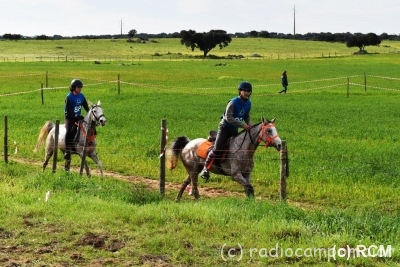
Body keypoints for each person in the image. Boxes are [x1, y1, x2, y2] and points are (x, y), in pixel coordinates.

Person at [200, 81, 253, 180]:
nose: (246, 92)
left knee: (236, 149)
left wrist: (250, 123)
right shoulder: (233, 102)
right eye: (244, 90)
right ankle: (205, 169)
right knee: (216, 148)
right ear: (240, 91)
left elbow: (247, 115)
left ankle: (234, 169)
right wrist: (243, 125)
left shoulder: (248, 103)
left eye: (248, 91)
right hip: (224, 128)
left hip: (234, 129)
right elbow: (229, 118)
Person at [64, 79, 89, 160]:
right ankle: (67, 151)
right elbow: (68, 109)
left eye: (81, 87)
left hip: (78, 118)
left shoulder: (81, 96)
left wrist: (90, 114)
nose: (80, 88)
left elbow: (86, 107)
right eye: (78, 87)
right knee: (69, 132)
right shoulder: (69, 97)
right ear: (73, 87)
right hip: (70, 118)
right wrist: (75, 116)